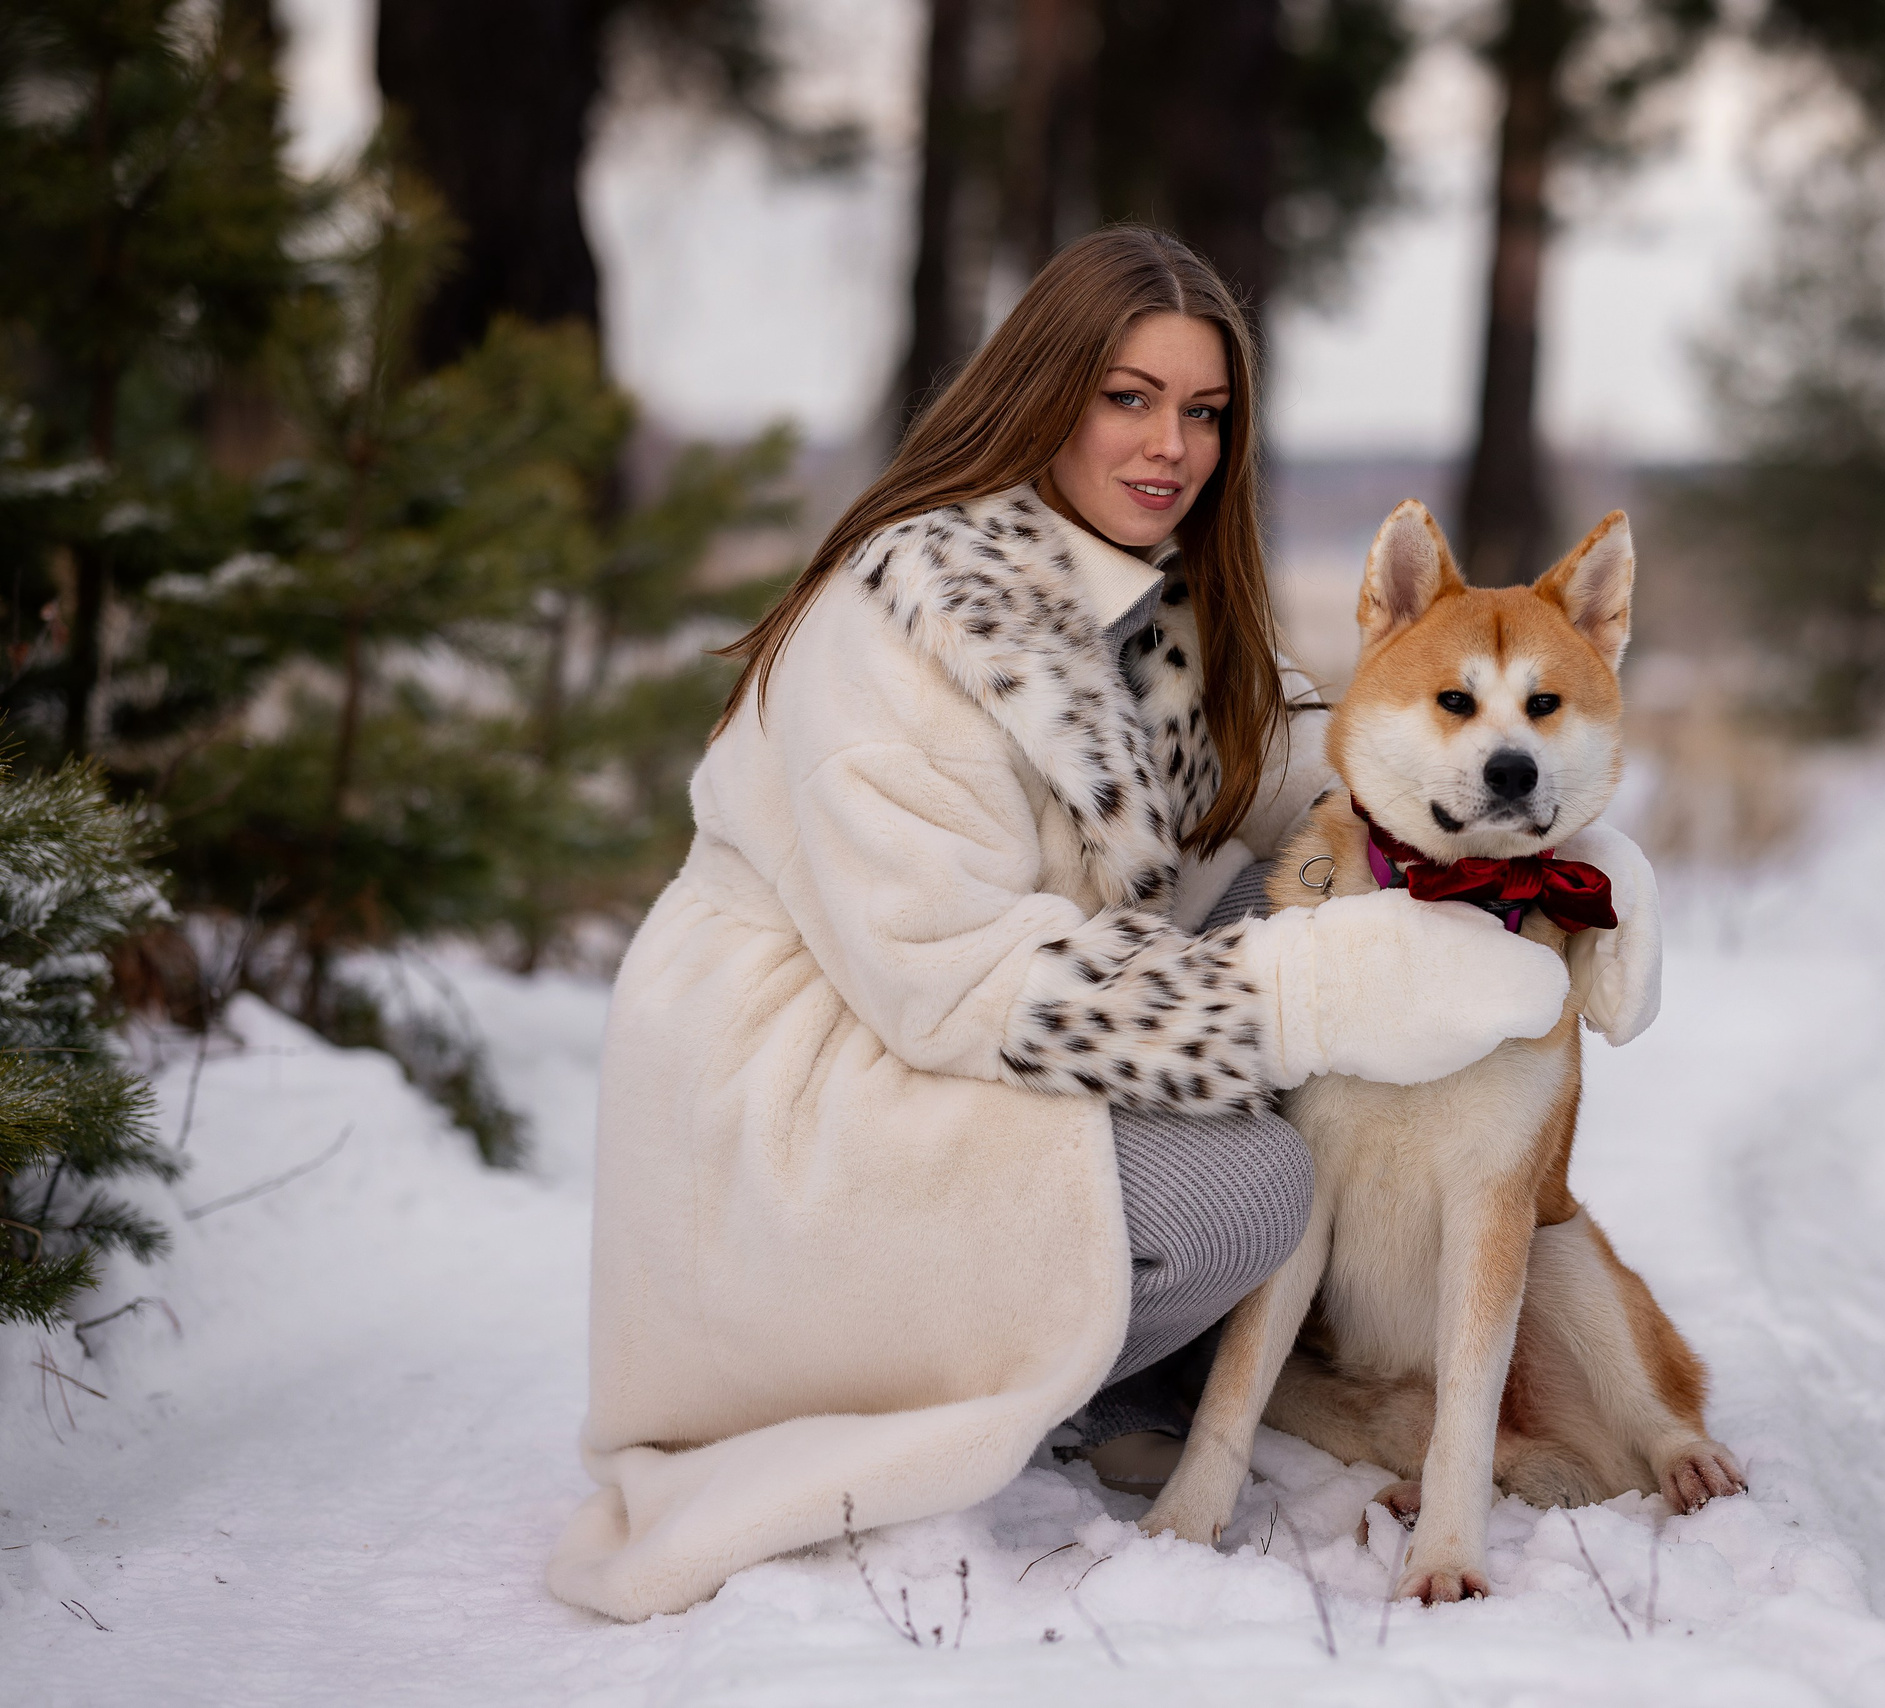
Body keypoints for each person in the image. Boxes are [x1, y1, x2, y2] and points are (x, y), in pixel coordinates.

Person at [546, 227, 1660, 1621]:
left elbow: (1327, 765)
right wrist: (1311, 998)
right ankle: (1099, 1369)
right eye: (1128, 397)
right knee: (1255, 1184)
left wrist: (1559, 851)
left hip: (965, 1029)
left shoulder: (1149, 598)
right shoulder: (900, 619)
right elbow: (949, 975)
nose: (1171, 446)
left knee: (1313, 879)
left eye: (1204, 412)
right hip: (810, 1091)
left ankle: (1163, 1341)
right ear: (1044, 392)